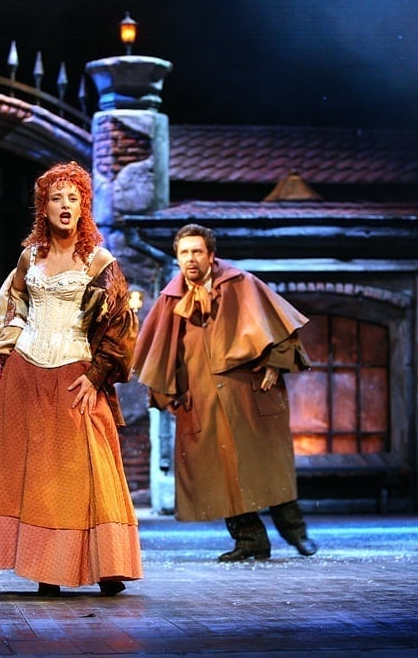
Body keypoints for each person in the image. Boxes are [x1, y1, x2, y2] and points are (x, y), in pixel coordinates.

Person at [0, 161, 143, 596]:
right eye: (56, 198)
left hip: (75, 372)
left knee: (88, 467)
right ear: (44, 207)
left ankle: (107, 566)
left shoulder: (99, 260)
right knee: (36, 473)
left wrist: (95, 376)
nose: (65, 205)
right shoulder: (30, 257)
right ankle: (46, 568)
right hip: (25, 373)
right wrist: (12, 335)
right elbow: (13, 307)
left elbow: (120, 325)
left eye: (73, 199)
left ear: (83, 207)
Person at [131, 223, 318, 561]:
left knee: (267, 464)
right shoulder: (171, 298)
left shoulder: (240, 283)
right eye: (184, 253)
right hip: (202, 398)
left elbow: (280, 328)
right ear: (177, 257)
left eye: (197, 251)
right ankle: (250, 541)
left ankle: (296, 532)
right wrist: (167, 394)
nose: (190, 259)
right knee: (222, 472)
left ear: (211, 255)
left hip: (247, 392)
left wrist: (274, 365)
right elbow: (159, 351)